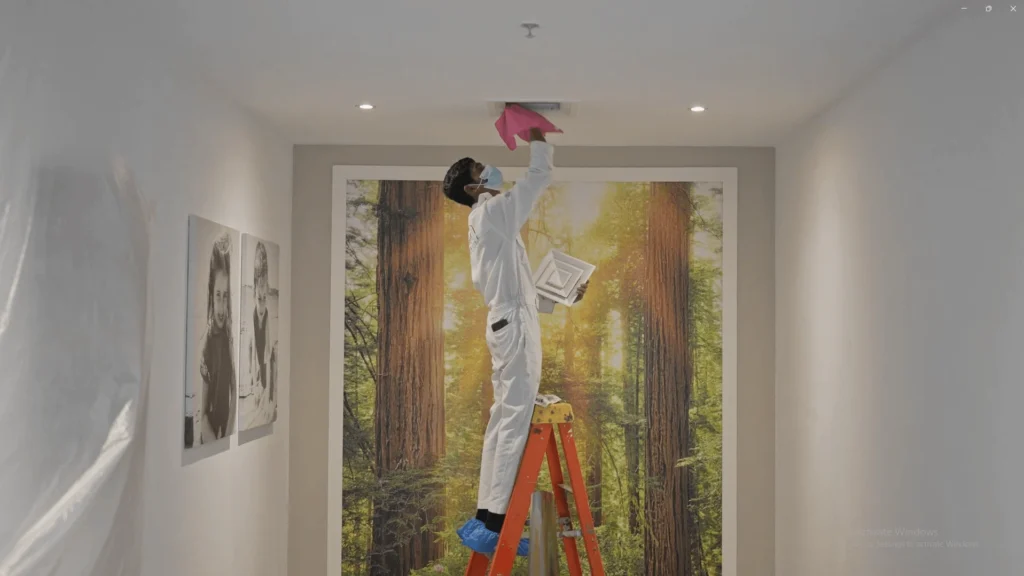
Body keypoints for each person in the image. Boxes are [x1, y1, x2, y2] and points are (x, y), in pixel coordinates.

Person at [443, 127, 588, 555]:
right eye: (479, 169)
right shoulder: (491, 214)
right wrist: (539, 140)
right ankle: (496, 524)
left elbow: (515, 289)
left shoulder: (487, 223)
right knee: (513, 421)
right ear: (474, 187)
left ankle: (486, 517)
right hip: (512, 323)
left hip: (508, 319)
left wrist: (556, 296)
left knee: (504, 418)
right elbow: (537, 178)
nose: (489, 169)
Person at [199, 233, 237, 443]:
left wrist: (231, 433)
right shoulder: (207, 345)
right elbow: (202, 415)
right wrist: (220, 446)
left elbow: (234, 387)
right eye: (218, 295)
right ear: (211, 296)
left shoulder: (229, 336)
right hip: (210, 440)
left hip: (226, 435)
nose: (222, 307)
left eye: (226, 296)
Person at [243, 241, 277, 427]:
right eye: (259, 298)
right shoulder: (252, 319)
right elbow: (250, 350)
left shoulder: (269, 321)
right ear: (254, 294)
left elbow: (269, 354)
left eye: (264, 298)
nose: (262, 303)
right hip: (257, 370)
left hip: (265, 370)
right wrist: (250, 373)